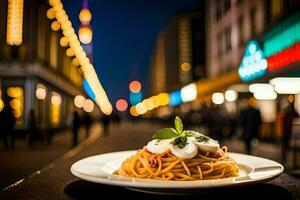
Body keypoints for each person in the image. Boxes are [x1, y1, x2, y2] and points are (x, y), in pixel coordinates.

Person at [281, 99, 299, 165]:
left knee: (289, 147)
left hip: (291, 133)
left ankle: (290, 161)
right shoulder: (288, 114)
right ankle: (285, 159)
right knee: (286, 147)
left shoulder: (292, 114)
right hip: (287, 133)